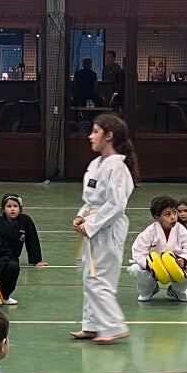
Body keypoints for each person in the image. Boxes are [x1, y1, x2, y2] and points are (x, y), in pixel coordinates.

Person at [71, 114, 136, 344]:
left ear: (109, 136)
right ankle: (92, 325)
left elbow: (116, 205)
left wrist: (92, 224)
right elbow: (91, 200)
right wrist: (81, 217)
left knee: (101, 278)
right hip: (93, 223)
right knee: (90, 276)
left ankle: (114, 326)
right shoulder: (95, 164)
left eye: (95, 131)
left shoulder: (118, 167)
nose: (90, 136)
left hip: (108, 228)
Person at [129, 193, 187, 303]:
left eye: (174, 213)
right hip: (154, 270)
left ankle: (177, 291)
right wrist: (150, 267)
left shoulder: (181, 230)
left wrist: (183, 260)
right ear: (157, 218)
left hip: (175, 267)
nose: (173, 217)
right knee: (135, 269)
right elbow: (138, 252)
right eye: (167, 214)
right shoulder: (150, 231)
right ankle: (148, 290)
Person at [0, 193, 46, 269]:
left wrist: (36, 261)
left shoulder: (25, 221)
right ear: (3, 209)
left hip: (13, 258)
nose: (12, 209)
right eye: (9, 206)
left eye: (15, 206)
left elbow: (32, 240)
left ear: (20, 208)